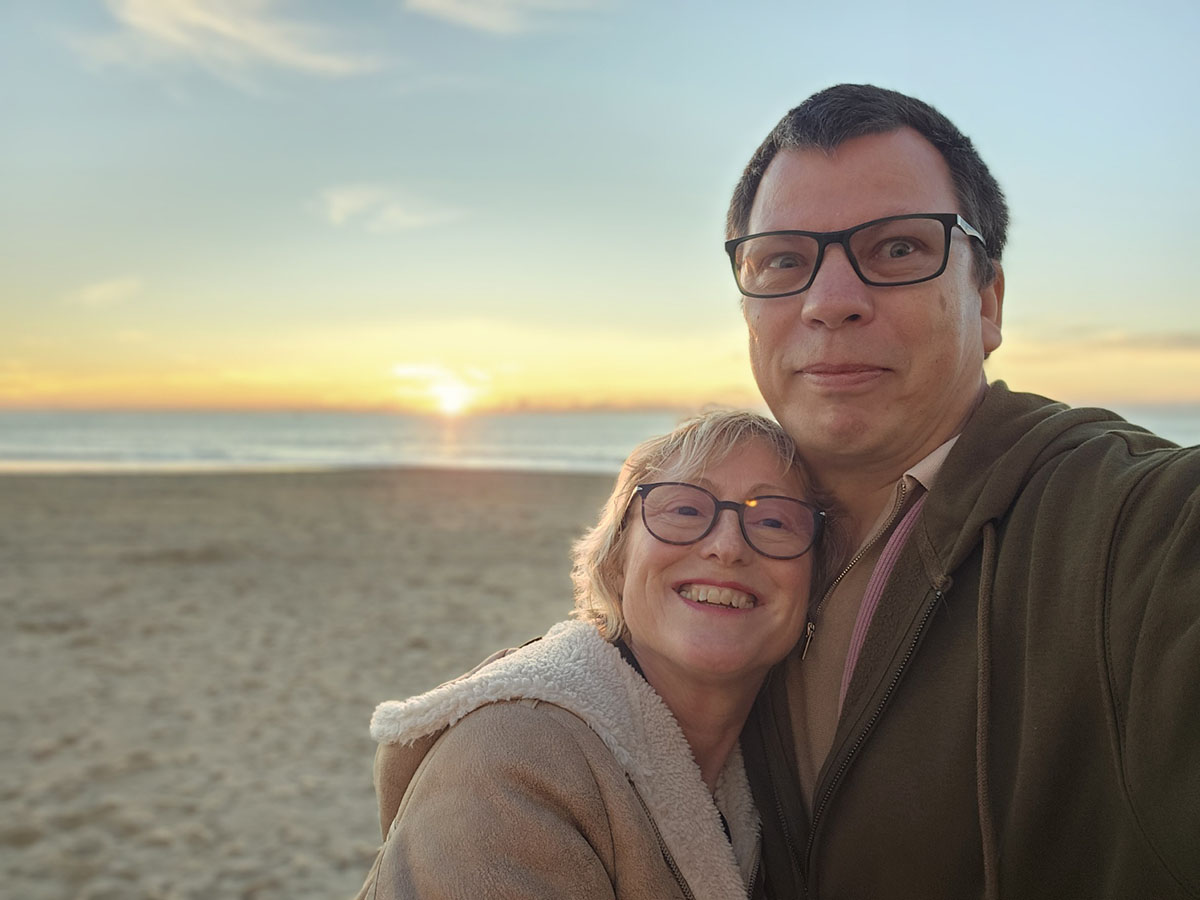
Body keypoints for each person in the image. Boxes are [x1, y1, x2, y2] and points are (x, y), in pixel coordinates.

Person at [725, 83, 1200, 899]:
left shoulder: (1127, 526)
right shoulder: (713, 531)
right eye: (782, 260)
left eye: (899, 249)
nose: (829, 301)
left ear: (987, 300)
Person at [354, 410, 835, 900]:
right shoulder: (512, 756)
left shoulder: (780, 781)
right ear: (616, 561)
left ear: (815, 581)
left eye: (774, 519)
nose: (728, 546)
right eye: (686, 510)